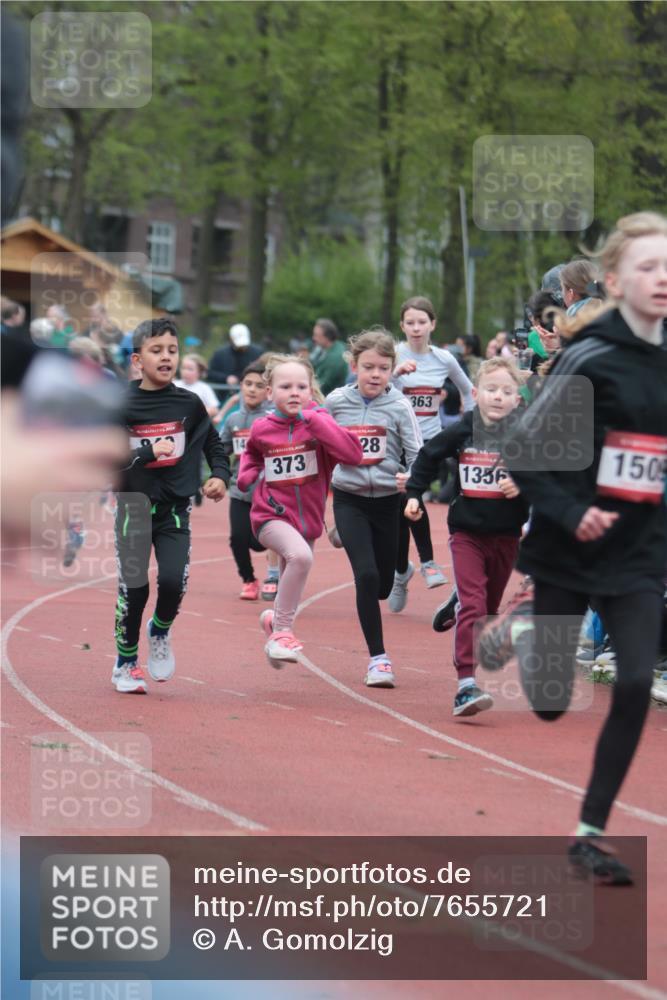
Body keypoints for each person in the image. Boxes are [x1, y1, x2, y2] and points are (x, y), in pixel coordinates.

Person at [477, 211, 667, 882]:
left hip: (639, 552)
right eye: (647, 266)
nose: (662, 278)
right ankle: (528, 629)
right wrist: (571, 508)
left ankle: (588, 833)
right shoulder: (589, 357)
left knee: (637, 681)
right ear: (614, 281)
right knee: (553, 701)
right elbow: (523, 449)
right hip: (567, 544)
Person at [112, 318, 229, 694]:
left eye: (172, 350)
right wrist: (146, 451)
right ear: (136, 359)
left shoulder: (189, 403)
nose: (166, 357)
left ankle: (159, 631)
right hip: (133, 507)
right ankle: (126, 662)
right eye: (156, 350)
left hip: (175, 508)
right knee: (136, 588)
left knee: (172, 581)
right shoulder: (121, 403)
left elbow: (214, 445)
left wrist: (220, 476)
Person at [405, 358, 527, 716]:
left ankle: (458, 602)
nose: (498, 397)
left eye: (507, 392)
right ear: (475, 394)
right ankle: (465, 686)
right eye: (491, 390)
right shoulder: (465, 428)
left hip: (506, 535)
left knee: (487, 611)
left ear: (518, 400)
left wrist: (522, 484)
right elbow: (428, 455)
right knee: (474, 608)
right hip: (467, 533)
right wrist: (414, 492)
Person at [237, 354, 363, 668]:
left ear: (310, 390)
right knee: (301, 558)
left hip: (307, 521)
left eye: (301, 386)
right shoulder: (262, 428)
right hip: (269, 515)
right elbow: (252, 454)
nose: (294, 392)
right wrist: (247, 474)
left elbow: (353, 454)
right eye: (285, 386)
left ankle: (273, 621)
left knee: (298, 569)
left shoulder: (320, 423)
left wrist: (318, 421)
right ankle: (282, 632)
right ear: (269, 393)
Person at [325, 328, 422, 688]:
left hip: (387, 502)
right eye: (368, 367)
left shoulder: (399, 406)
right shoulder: (336, 402)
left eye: (383, 368)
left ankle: (400, 571)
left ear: (392, 370)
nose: (375, 375)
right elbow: (315, 439)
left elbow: (418, 453)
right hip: (348, 497)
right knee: (365, 576)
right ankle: (379, 659)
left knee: (381, 587)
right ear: (354, 366)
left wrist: (410, 479)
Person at [389, 296, 474, 611]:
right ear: (402, 326)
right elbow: (371, 387)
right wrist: (395, 373)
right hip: (396, 442)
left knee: (410, 497)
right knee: (403, 504)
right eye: (409, 322)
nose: (415, 328)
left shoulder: (444, 358)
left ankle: (425, 563)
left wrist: (474, 423)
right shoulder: (394, 354)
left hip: (430, 444)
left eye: (421, 322)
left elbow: (468, 389)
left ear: (432, 325)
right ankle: (402, 571)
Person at [219, 360, 280, 601]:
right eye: (248, 384)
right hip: (240, 490)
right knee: (237, 538)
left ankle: (275, 570)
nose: (252, 389)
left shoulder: (272, 418)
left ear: (268, 391)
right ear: (241, 386)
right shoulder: (234, 420)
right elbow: (222, 449)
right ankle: (248, 579)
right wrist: (219, 474)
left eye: (258, 385)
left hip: (268, 491)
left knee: (259, 542)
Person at [311, 318, 350, 395]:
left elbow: (323, 386)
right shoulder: (336, 346)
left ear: (327, 337)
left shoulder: (335, 358)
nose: (313, 338)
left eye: (316, 335)